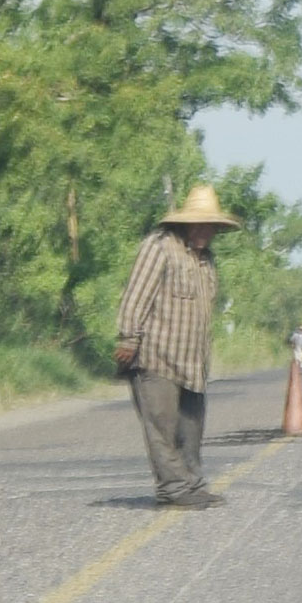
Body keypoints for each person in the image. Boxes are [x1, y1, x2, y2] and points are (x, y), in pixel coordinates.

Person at [114, 184, 240, 510]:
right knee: (162, 428)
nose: (204, 231)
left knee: (191, 430)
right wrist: (128, 338)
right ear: (185, 223)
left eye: (210, 226)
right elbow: (136, 296)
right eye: (199, 224)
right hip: (157, 357)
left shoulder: (206, 261)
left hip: (192, 363)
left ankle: (193, 484)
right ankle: (173, 488)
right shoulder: (159, 247)